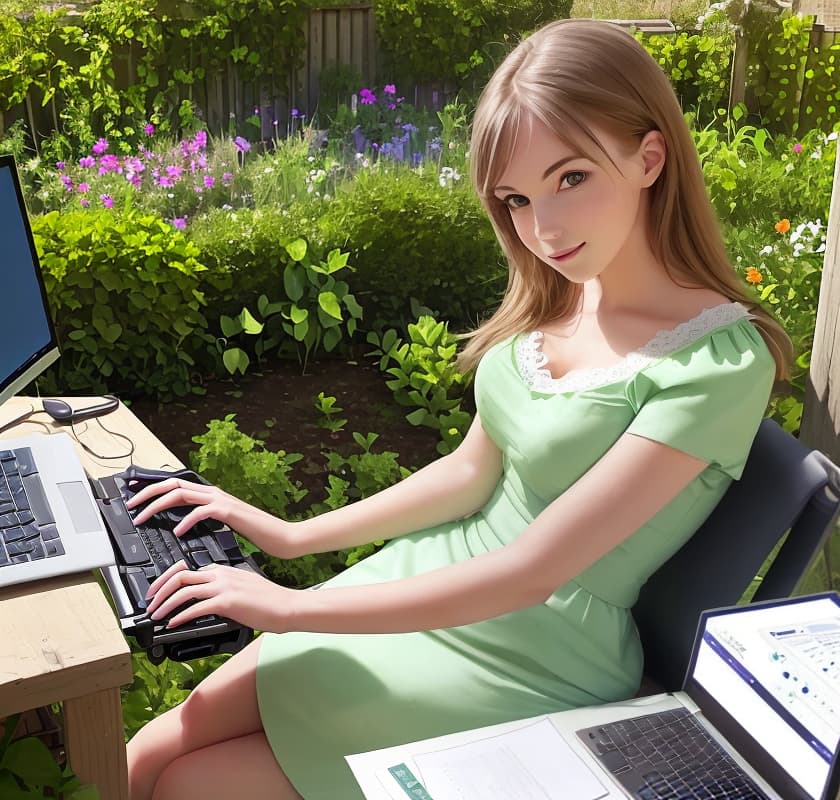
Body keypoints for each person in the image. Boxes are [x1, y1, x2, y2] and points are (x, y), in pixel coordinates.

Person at [126, 18, 791, 800]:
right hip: (442, 569)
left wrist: (292, 608)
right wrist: (289, 537)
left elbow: (533, 572)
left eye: (571, 177)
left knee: (188, 783)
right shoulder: (564, 297)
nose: (542, 228)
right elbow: (471, 470)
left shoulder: (716, 363)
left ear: (650, 157)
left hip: (534, 643)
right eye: (516, 197)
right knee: (145, 754)